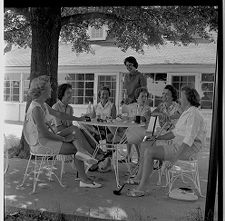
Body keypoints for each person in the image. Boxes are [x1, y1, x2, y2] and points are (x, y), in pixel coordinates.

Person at [24, 75, 102, 188]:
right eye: (49, 88)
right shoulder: (36, 109)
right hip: (40, 143)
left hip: (46, 139)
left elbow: (60, 114)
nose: (51, 90)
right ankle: (84, 175)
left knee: (75, 135)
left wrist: (78, 119)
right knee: (75, 147)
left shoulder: (43, 105)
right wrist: (64, 139)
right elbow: (44, 133)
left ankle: (84, 161)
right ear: (42, 91)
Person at [127, 86, 205, 197]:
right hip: (177, 144)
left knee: (149, 152)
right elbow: (174, 133)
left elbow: (188, 140)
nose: (179, 100)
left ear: (188, 99)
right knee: (147, 145)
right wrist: (157, 138)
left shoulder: (193, 114)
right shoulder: (187, 113)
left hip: (186, 149)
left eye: (181, 97)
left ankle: (142, 187)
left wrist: (173, 159)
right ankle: (141, 180)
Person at [52, 83, 106, 163]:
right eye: (68, 93)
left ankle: (98, 151)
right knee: (77, 130)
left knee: (83, 131)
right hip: (59, 133)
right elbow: (59, 128)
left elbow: (70, 125)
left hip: (68, 131)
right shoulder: (55, 107)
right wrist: (74, 131)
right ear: (62, 93)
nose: (71, 95)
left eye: (71, 93)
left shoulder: (70, 108)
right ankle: (94, 154)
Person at [120, 87, 151, 163]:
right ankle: (129, 156)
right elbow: (125, 111)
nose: (144, 98)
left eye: (145, 96)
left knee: (130, 132)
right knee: (129, 130)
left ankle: (137, 157)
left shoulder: (147, 108)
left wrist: (130, 118)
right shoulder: (134, 106)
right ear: (137, 98)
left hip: (142, 131)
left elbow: (142, 119)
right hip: (133, 130)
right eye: (142, 96)